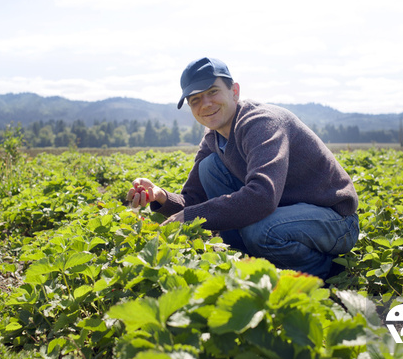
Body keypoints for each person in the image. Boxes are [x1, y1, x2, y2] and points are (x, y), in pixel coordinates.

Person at [126, 57, 359, 281]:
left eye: (213, 92)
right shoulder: (213, 138)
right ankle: (249, 262)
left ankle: (321, 275)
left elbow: (262, 198)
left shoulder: (262, 123)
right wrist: (161, 196)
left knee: (262, 231)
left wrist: (189, 216)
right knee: (209, 168)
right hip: (284, 212)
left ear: (234, 91)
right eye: (195, 99)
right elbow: (194, 201)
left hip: (334, 219)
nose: (205, 104)